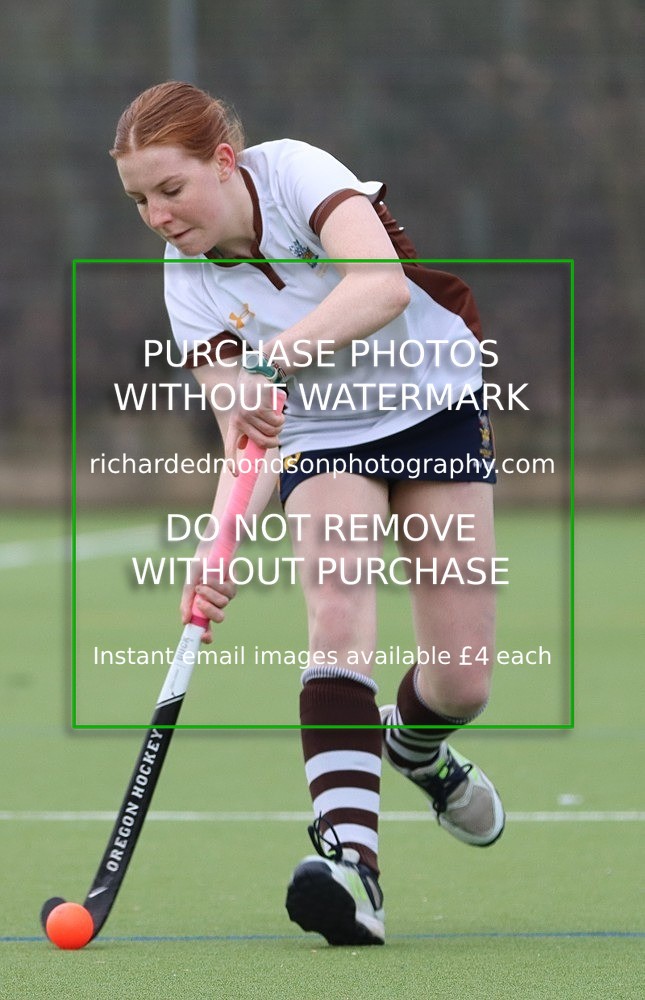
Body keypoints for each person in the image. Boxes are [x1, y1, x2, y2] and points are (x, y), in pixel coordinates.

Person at [111, 81, 505, 947]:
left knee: (462, 681)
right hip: (322, 435)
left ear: (223, 162)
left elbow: (383, 289)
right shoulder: (188, 284)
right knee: (335, 612)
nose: (158, 216)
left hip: (432, 404)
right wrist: (219, 550)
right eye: (139, 200)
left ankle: (416, 748)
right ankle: (351, 866)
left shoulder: (294, 173)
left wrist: (275, 361)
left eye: (170, 190)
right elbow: (244, 440)